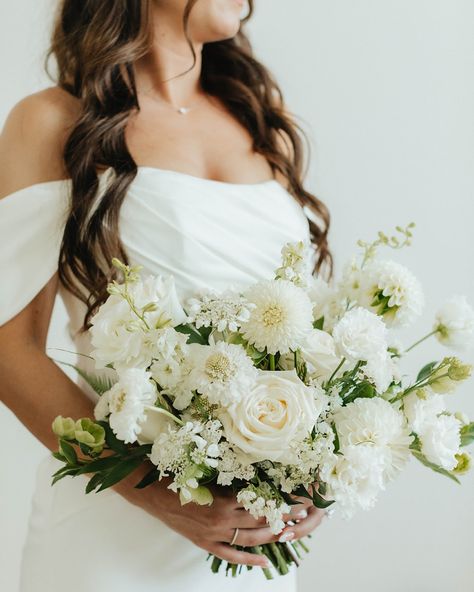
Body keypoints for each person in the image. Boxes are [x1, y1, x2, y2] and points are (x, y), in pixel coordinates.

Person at [0, 1, 332, 590]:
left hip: (252, 539)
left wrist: (322, 458)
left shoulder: (259, 115)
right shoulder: (53, 120)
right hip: (113, 530)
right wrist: (154, 493)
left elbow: (305, 322)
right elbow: (9, 348)